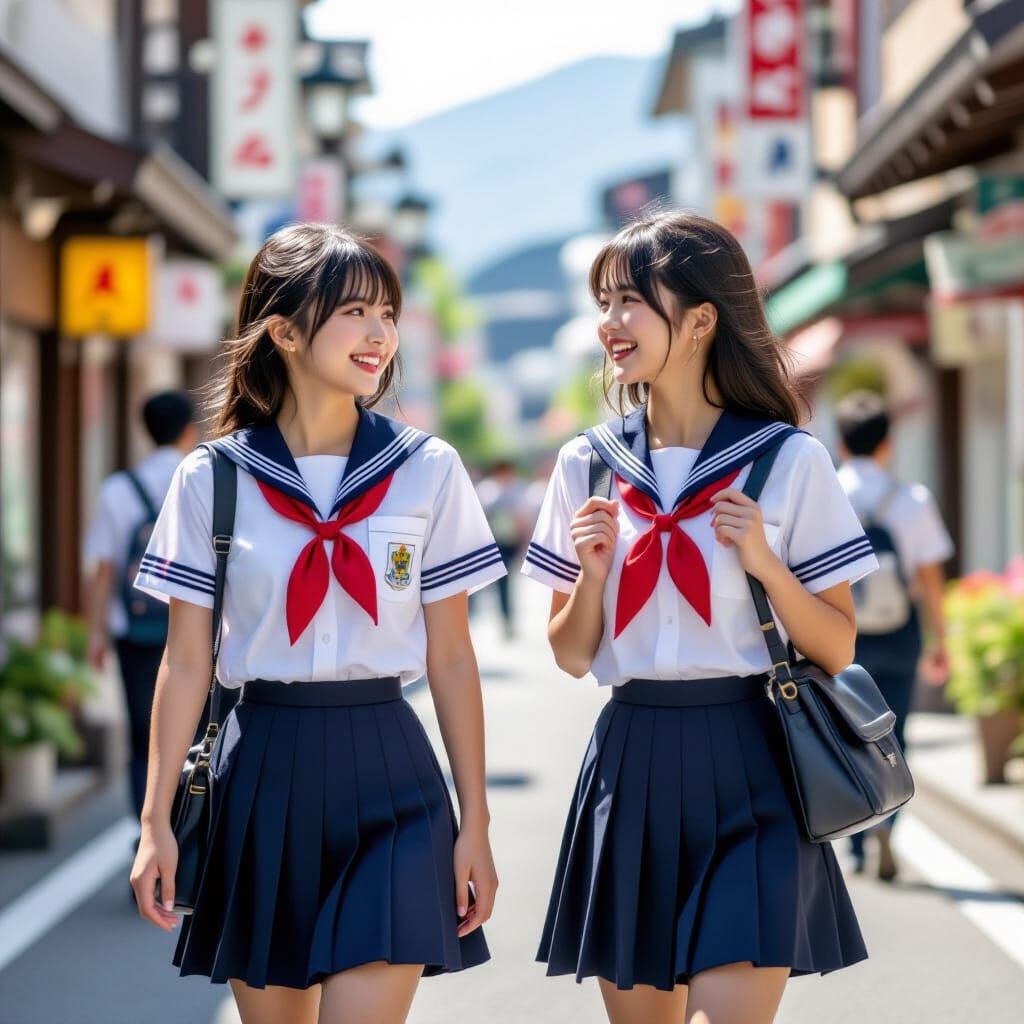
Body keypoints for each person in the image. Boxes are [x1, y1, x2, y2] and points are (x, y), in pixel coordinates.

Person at [128, 224, 503, 1024]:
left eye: (388, 314)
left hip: (393, 774)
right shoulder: (213, 479)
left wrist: (476, 820)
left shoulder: (427, 469)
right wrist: (155, 820)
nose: (379, 335)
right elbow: (187, 663)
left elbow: (453, 659)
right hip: (261, 770)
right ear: (286, 332)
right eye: (355, 313)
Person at [521, 211, 879, 1024]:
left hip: (754, 757)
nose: (609, 324)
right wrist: (592, 572)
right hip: (632, 756)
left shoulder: (789, 460)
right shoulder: (587, 465)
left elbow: (836, 641)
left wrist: (767, 567)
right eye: (603, 303)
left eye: (629, 302)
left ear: (701, 319)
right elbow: (572, 655)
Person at [836, 389, 953, 881]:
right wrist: (941, 640)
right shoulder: (912, 498)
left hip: (844, 632)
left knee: (847, 735)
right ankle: (890, 821)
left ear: (841, 445)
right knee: (894, 734)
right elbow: (929, 578)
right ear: (887, 444)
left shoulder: (829, 493)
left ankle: (861, 839)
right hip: (901, 632)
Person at [83, 391, 199, 822]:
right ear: (189, 429)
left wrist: (94, 636)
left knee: (143, 737)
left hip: (133, 633)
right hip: (196, 631)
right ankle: (188, 828)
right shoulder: (203, 478)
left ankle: (147, 831)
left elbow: (103, 571)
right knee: (194, 730)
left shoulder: (118, 489)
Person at [475, 459, 529, 638]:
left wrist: (524, 543)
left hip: (510, 541)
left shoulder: (516, 489)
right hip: (492, 541)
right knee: (498, 582)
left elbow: (523, 518)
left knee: (505, 582)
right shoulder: (487, 490)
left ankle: (507, 619)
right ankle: (499, 617)